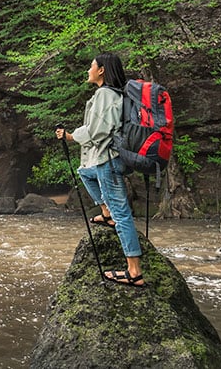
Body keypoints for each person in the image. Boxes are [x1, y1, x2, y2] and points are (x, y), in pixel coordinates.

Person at [55, 53, 146, 287]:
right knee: (85, 172)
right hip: (111, 159)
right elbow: (96, 127)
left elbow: (96, 131)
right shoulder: (116, 94)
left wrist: (71, 136)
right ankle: (106, 214)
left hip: (108, 160)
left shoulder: (104, 94)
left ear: (102, 70)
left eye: (91, 66)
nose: (88, 70)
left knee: (122, 214)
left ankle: (134, 271)